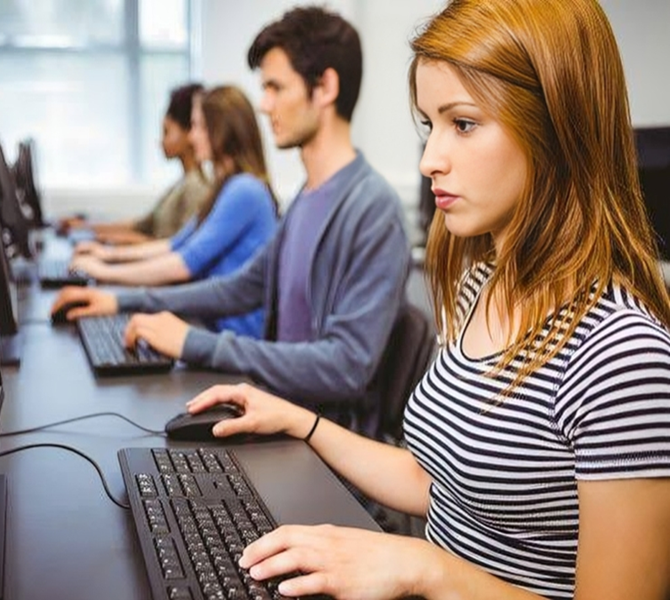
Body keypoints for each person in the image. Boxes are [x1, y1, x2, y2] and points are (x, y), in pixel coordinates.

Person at [180, 1, 670, 599]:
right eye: (429, 125)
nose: (430, 159)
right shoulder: (479, 284)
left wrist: (426, 568)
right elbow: (433, 477)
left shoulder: (622, 354)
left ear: (556, 125)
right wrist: (301, 423)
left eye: (462, 123)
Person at [51, 6, 410, 435]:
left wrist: (197, 343)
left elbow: (346, 367)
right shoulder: (307, 198)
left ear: (325, 87)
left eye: (276, 88)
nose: (264, 104)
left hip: (322, 450)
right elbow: (243, 287)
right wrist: (121, 301)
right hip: (273, 411)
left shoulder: (373, 210)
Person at [69, 85, 278, 338]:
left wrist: (106, 275)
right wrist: (106, 256)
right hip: (211, 324)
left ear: (221, 130)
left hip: (233, 336)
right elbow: (173, 245)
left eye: (199, 127)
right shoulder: (224, 187)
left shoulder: (245, 190)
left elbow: (183, 264)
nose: (192, 137)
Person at [59, 82, 210, 244]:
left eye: (166, 132)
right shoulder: (182, 183)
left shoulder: (196, 187)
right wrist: (86, 227)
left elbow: (180, 249)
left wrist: (113, 241)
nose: (161, 141)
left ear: (189, 134)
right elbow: (141, 226)